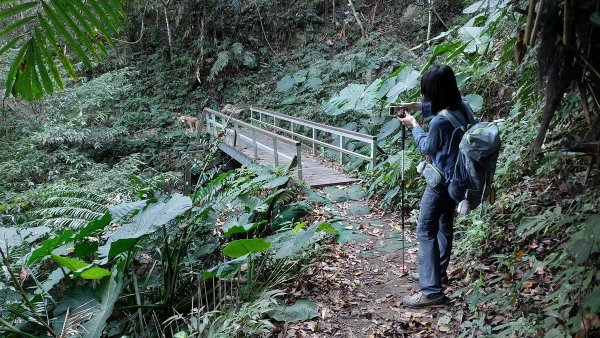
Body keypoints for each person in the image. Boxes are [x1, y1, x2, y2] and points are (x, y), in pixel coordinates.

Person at [395, 64, 476, 308]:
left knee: (425, 229)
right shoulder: (462, 104)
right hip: (459, 181)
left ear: (435, 92)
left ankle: (431, 291)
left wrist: (413, 125)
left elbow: (426, 148)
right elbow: (443, 107)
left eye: (427, 92)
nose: (424, 97)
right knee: (443, 223)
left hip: (441, 181)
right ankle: (437, 273)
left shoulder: (440, 121)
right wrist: (414, 107)